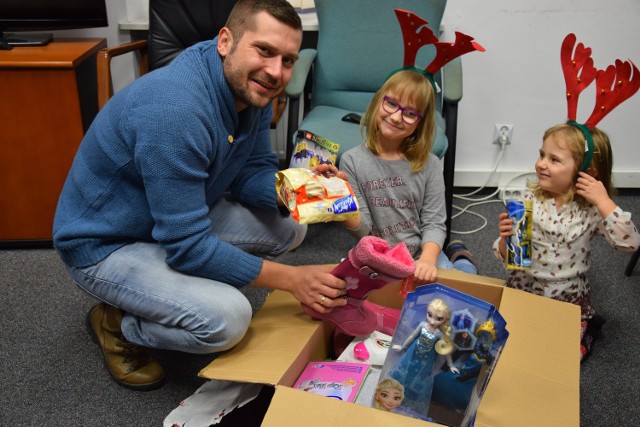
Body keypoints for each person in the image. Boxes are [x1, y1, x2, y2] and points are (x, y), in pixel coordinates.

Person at [53, 0, 347, 391]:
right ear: (226, 41)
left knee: (291, 225)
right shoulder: (175, 110)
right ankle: (119, 325)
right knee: (227, 320)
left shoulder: (252, 86)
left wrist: (301, 188)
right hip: (106, 241)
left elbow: (250, 173)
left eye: (288, 59)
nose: (276, 71)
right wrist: (292, 279)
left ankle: (165, 287)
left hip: (170, 218)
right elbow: (188, 246)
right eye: (264, 50)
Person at [493, 124, 640, 360]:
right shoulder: (529, 198)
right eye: (542, 154)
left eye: (554, 159)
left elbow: (631, 243)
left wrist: (604, 202)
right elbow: (511, 258)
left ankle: (587, 328)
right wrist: (505, 241)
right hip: (525, 288)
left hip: (567, 298)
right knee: (503, 346)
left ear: (586, 172)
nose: (541, 164)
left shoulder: (592, 210)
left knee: (561, 358)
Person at [340, 70, 479, 285]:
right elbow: (363, 229)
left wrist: (427, 260)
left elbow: (434, 223)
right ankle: (459, 259)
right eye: (391, 104)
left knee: (460, 292)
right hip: (377, 257)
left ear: (420, 124)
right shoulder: (351, 160)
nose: (396, 117)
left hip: (419, 254)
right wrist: (339, 204)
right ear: (378, 101)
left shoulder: (430, 163)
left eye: (410, 113)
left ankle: (461, 259)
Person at [387, 298, 458, 416]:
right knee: (404, 372)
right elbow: (411, 337)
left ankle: (406, 400)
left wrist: (451, 365)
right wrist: (402, 347)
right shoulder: (422, 325)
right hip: (412, 354)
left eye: (439, 319)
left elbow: (446, 351)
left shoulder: (440, 334)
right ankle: (395, 395)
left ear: (445, 320)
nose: (433, 321)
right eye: (430, 315)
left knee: (418, 379)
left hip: (426, 360)